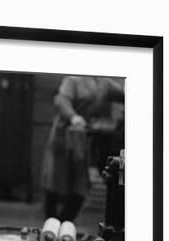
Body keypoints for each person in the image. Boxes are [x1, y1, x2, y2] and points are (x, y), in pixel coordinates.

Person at [41, 76, 124, 221]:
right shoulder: (73, 80)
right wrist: (73, 117)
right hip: (63, 136)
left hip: (82, 139)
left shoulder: (103, 82)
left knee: (79, 188)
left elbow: (123, 93)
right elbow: (61, 100)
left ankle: (64, 224)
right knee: (55, 183)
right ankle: (50, 227)